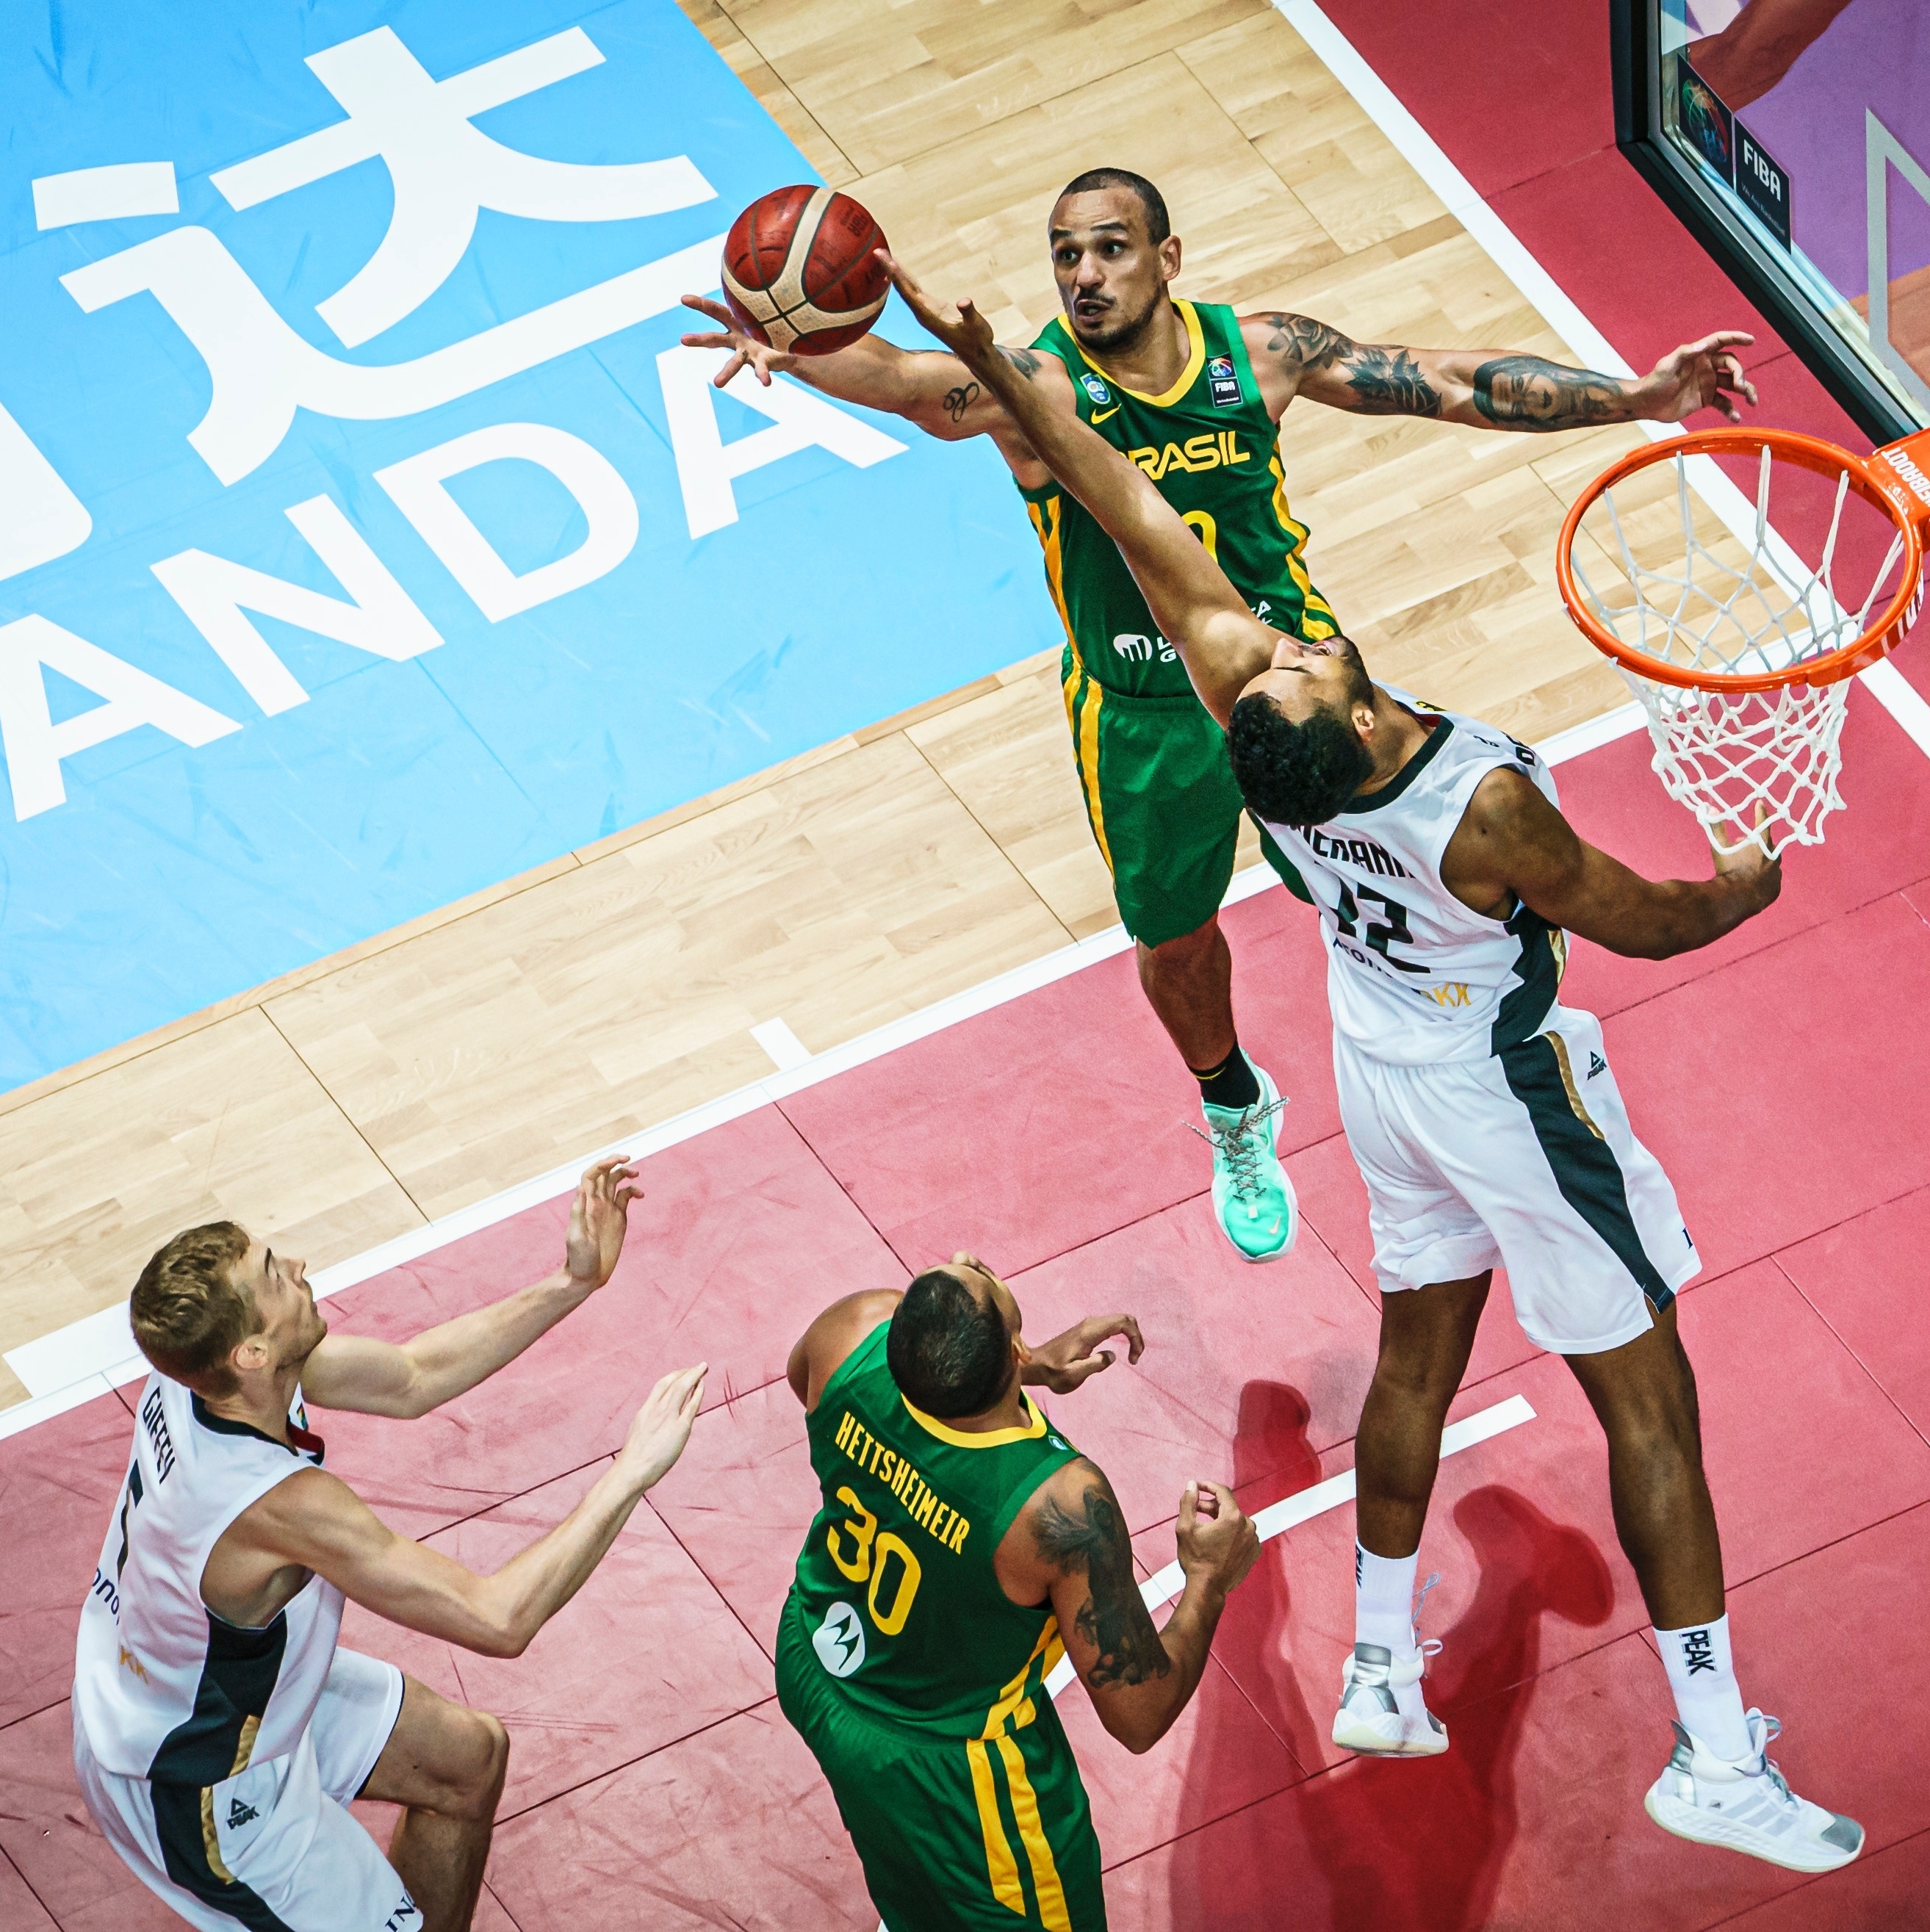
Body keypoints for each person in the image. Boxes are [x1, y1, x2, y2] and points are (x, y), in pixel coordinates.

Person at [885, 259, 1863, 1875]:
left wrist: (1005, 370)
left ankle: (1381, 1665)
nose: (1282, 647)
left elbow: (1127, 509)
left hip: (1375, 1066)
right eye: (1290, 664)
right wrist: (1744, 882)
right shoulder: (1472, 810)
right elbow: (1645, 924)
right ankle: (1707, 1751)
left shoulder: (1256, 721)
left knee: (1420, 1350)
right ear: (1334, 723)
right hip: (1502, 1087)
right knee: (1651, 1402)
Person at [684, 167, 1759, 1266]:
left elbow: (1438, 379)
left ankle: (1452, 1057)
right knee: (1173, 941)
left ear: (1167, 257)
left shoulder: (1263, 352)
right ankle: (1234, 1104)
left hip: (1301, 687)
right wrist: (800, 336)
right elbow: (912, 382)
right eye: (1063, 255)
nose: (1083, 275)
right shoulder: (1034, 389)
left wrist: (1632, 396)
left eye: (1107, 248)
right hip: (1144, 713)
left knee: (1401, 883)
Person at [73, 1158, 707, 1932]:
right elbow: (497, 1618)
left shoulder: (203, 1378)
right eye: (276, 1272)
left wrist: (572, 1281)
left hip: (185, 1685)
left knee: (465, 1760)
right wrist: (630, 1471)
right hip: (198, 1778)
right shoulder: (277, 1505)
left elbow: (411, 1376)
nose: (299, 1266)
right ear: (251, 1353)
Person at [780, 1255, 1259, 1930]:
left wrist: (1021, 1370)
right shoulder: (1055, 1506)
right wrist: (1208, 1579)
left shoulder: (851, 1329)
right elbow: (1140, 1713)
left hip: (817, 1659)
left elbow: (811, 1378)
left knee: (904, 1865)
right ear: (1009, 1342)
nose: (961, 1261)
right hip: (944, 1762)